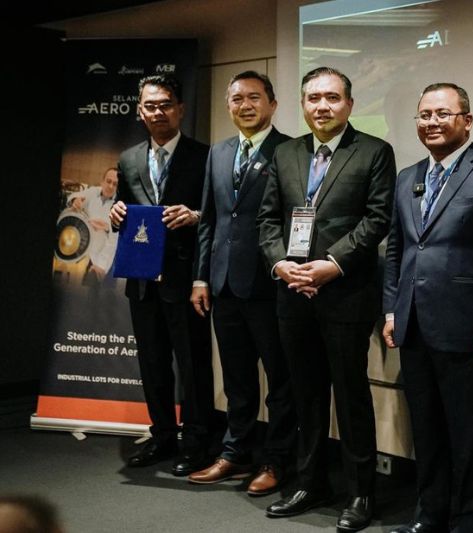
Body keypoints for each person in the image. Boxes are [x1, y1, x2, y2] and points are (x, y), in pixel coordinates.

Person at [258, 66, 396, 532]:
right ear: (303, 104)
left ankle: (360, 492)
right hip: (292, 292)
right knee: (305, 394)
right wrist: (281, 264)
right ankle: (308, 481)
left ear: (349, 104)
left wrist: (332, 264)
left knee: (350, 395)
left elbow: (377, 220)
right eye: (314, 98)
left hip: (346, 295)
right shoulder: (286, 153)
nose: (322, 106)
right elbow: (268, 220)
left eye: (332, 98)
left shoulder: (375, 151)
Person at [382, 83, 473, 533]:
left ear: (467, 119)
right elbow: (398, 250)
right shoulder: (407, 177)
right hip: (414, 325)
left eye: (442, 114)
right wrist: (390, 311)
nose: (431, 123)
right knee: (426, 431)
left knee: (471, 435)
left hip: (469, 331)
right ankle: (430, 515)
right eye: (424, 115)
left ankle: (469, 522)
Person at [187, 71, 296, 495]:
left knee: (280, 379)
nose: (244, 105)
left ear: (272, 103)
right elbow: (210, 220)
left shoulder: (290, 151)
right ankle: (235, 452)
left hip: (271, 283)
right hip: (223, 283)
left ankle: (277, 460)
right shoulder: (219, 152)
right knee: (236, 380)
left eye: (254, 98)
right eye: (236, 99)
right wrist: (200, 277)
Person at [109, 74, 213, 477]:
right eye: (150, 105)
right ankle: (163, 436)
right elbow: (123, 209)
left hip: (186, 280)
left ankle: (198, 442)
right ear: (139, 111)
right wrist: (116, 214)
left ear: (180, 109)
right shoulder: (129, 158)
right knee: (152, 365)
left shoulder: (205, 157)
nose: (158, 111)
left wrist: (196, 215)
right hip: (141, 280)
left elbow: (218, 214)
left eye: (165, 104)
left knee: (193, 365)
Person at [67, 167, 119, 281]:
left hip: (107, 255)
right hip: (86, 249)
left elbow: (114, 240)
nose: (111, 186)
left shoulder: (119, 204)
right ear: (102, 181)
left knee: (105, 293)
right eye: (108, 181)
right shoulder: (93, 192)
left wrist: (107, 228)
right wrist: (75, 201)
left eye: (115, 184)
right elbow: (73, 196)